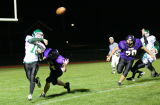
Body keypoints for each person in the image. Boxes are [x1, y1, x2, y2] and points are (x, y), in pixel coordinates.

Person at [23, 29, 48, 100]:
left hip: (35, 62)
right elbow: (31, 41)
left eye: (41, 35)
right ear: (35, 34)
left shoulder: (42, 45)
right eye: (39, 34)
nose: (41, 36)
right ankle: (37, 80)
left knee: (31, 79)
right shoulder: (28, 37)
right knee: (29, 78)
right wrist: (42, 39)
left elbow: (41, 56)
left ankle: (30, 94)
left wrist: (40, 52)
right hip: (26, 62)